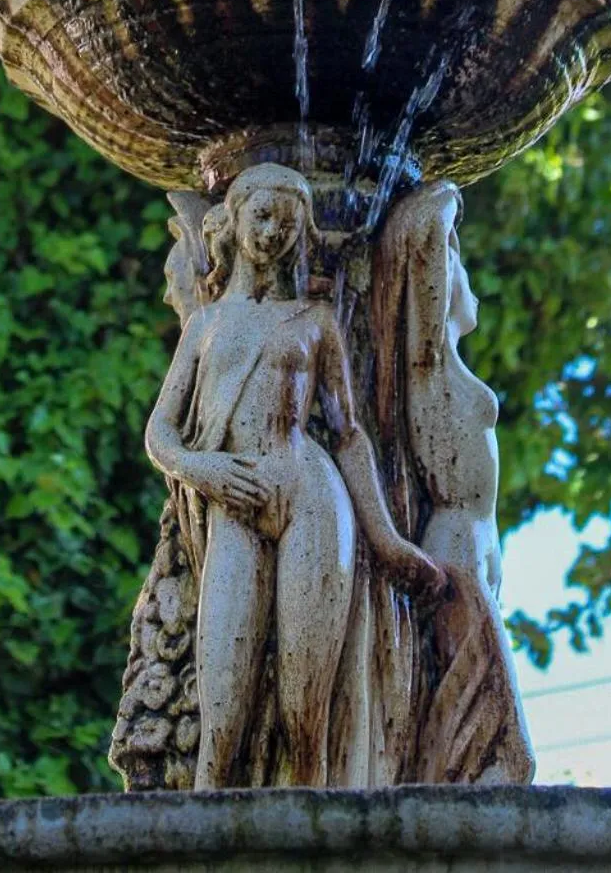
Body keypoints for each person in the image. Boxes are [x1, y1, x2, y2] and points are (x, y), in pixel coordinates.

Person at [145, 163, 442, 788]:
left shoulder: (314, 321)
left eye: (287, 219)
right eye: (262, 214)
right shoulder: (206, 325)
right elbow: (160, 435)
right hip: (234, 500)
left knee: (304, 715)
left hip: (311, 497)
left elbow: (349, 434)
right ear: (236, 220)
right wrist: (207, 470)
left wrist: (387, 541)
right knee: (220, 711)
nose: (274, 229)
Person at [374, 181, 535, 784]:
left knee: (471, 700)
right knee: (505, 741)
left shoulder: (453, 366)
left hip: (480, 544)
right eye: (453, 260)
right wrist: (443, 201)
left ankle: (440, 790)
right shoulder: (427, 361)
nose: (463, 273)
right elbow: (420, 244)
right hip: (455, 539)